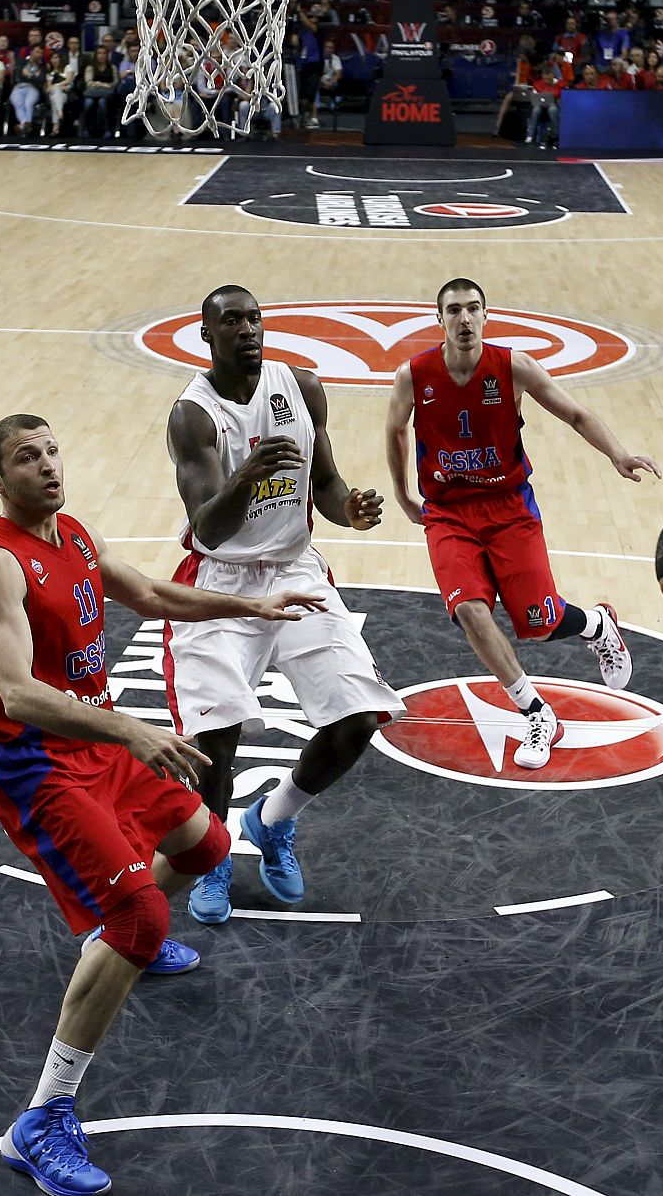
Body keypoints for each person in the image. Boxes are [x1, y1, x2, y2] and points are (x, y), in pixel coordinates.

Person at [0, 414, 320, 1195]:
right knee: (136, 917)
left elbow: (153, 593)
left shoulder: (75, 538)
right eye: (27, 458)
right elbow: (18, 694)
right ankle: (40, 1120)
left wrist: (248, 608)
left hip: (97, 746)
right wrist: (131, 729)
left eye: (53, 449)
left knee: (207, 846)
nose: (48, 466)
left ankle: (129, 943)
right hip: (39, 766)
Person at [164, 285, 404, 925]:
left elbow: (324, 482)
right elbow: (209, 529)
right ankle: (214, 856)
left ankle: (273, 820)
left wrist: (347, 510)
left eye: (254, 319)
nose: (247, 330)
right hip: (222, 580)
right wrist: (247, 473)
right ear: (207, 334)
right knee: (214, 739)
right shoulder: (193, 416)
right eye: (232, 321)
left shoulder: (301, 386)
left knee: (359, 717)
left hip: (296, 569)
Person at [384, 278, 660, 769]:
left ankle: (596, 624)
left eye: (473, 309)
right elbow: (395, 429)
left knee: (537, 623)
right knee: (470, 611)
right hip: (448, 512)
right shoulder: (414, 374)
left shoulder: (512, 367)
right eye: (454, 311)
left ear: (486, 316)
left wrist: (618, 454)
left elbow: (574, 413)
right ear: (439, 318)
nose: (464, 319)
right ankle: (536, 712)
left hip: (509, 506)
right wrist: (405, 493)